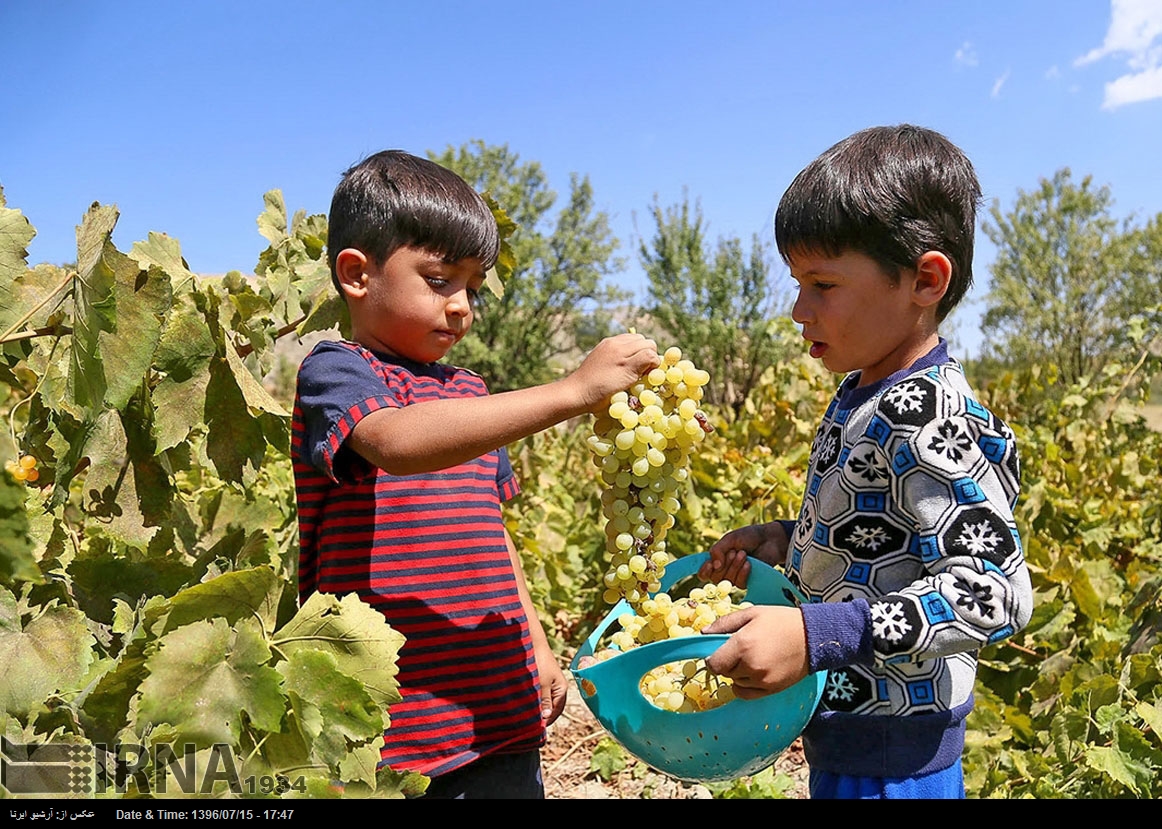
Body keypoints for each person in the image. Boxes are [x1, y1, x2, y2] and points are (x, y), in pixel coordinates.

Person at [292, 150, 659, 799]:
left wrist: (536, 643)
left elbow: (494, 533)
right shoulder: (338, 372)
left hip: (498, 710)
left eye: (474, 287)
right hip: (392, 728)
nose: (462, 306)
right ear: (356, 274)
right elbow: (396, 442)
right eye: (439, 280)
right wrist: (572, 390)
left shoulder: (470, 392)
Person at [697, 125, 1033, 799]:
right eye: (798, 283)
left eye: (822, 283)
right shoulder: (863, 393)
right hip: (852, 739)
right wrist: (787, 543)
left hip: (895, 761)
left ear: (925, 280)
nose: (799, 309)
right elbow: (883, 539)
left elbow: (994, 592)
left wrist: (814, 633)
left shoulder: (930, 414)